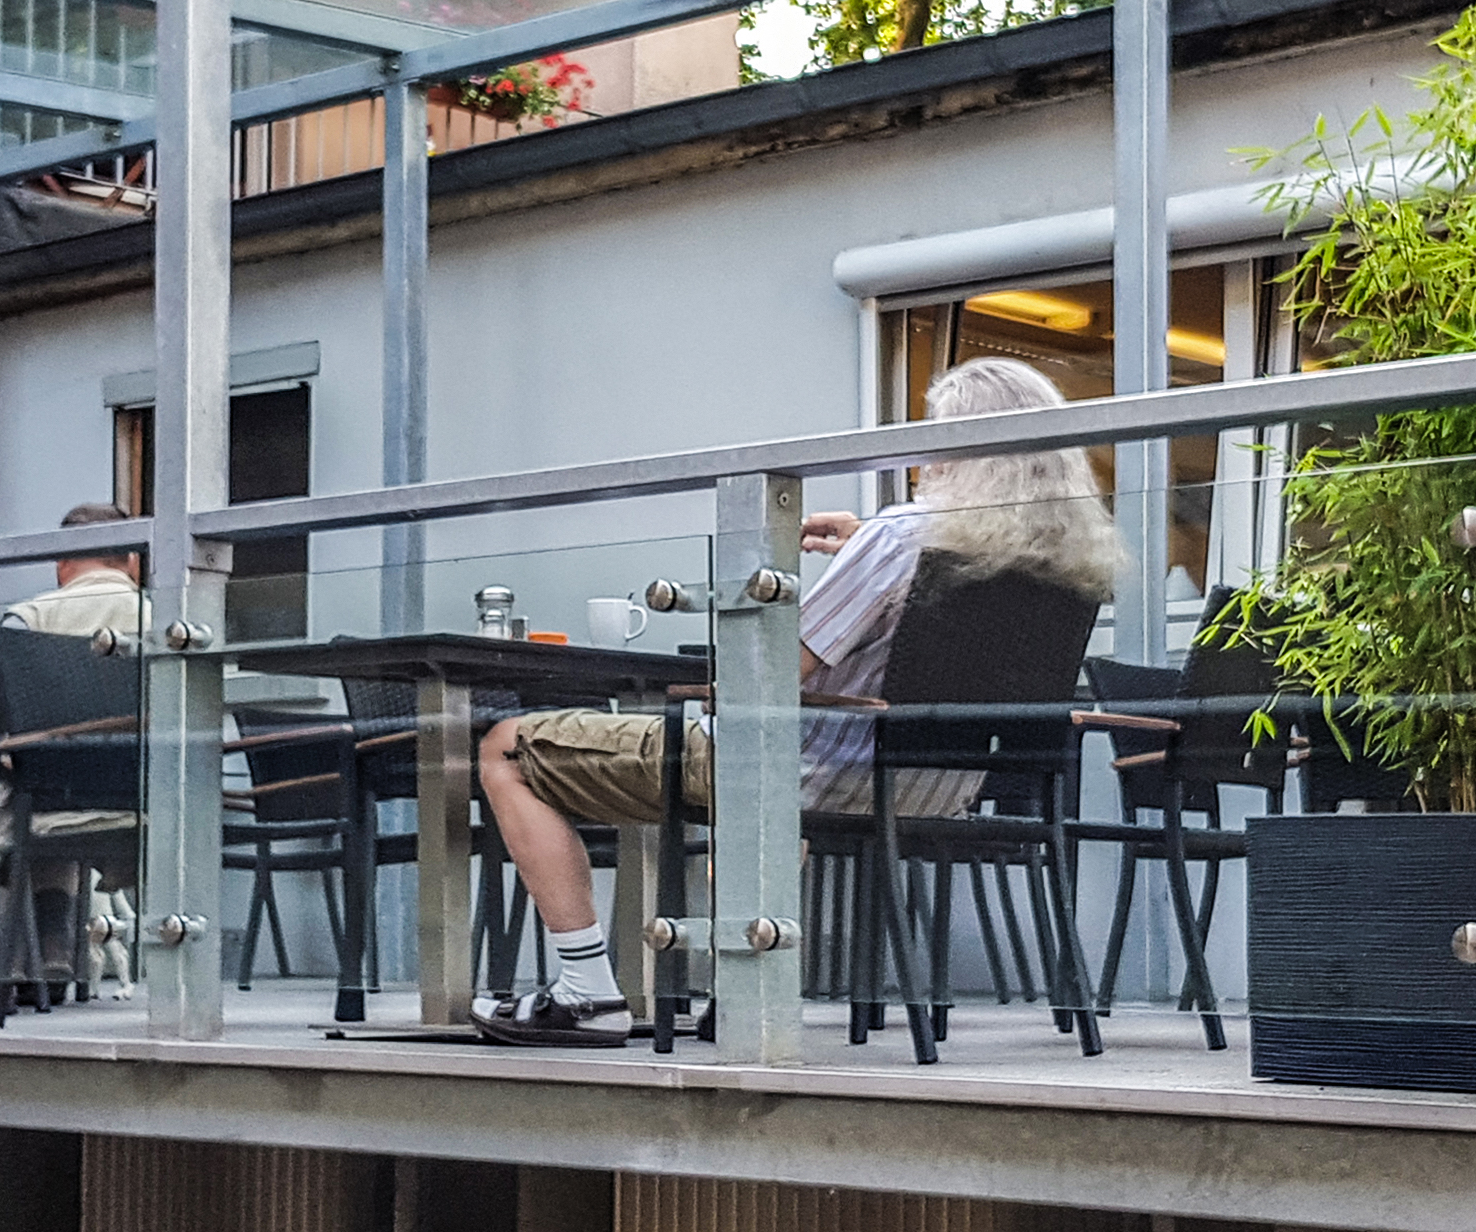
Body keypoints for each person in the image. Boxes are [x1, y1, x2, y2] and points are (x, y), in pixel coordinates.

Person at [468, 357, 1119, 1047]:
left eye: (934, 439)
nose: (925, 459)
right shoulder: (1070, 564)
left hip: (810, 775)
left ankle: (587, 990)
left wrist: (834, 567)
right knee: (771, 790)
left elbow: (777, 671)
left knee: (506, 744)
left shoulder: (901, 536)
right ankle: (740, 992)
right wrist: (860, 553)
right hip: (935, 789)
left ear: (962, 450)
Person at [0, 506, 144, 1001]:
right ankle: (55, 946)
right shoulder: (175, 621)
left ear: (60, 563)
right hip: (149, 800)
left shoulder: (30, 619)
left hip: (51, 791)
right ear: (132, 561)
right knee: (46, 811)